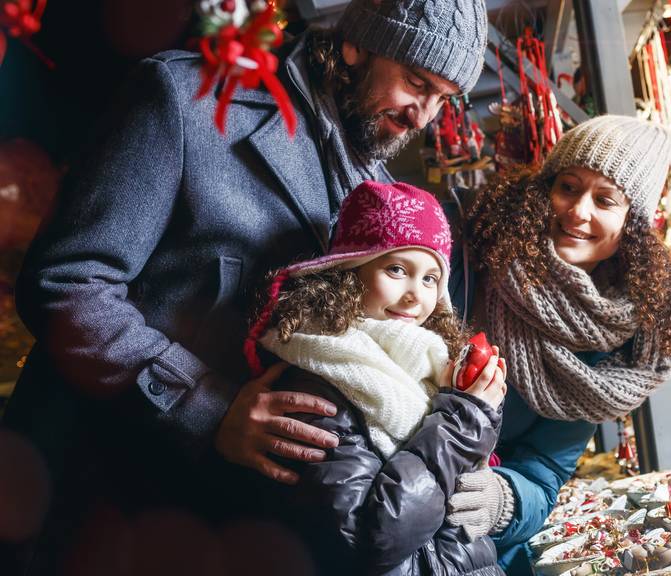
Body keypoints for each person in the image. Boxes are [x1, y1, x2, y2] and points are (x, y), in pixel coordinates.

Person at [5, 0, 488, 572]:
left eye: (443, 98)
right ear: (357, 45)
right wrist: (207, 406)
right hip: (104, 505)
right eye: (415, 82)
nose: (423, 116)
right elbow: (66, 285)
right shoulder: (186, 100)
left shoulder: (383, 194)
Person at [441, 115, 671, 573]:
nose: (579, 211)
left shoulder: (610, 347)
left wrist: (504, 498)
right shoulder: (468, 245)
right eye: (568, 187)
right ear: (545, 188)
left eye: (605, 200)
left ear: (632, 225)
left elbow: (543, 470)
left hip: (459, 540)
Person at [245, 180, 506, 575]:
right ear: (349, 272)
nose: (415, 294)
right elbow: (369, 536)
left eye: (430, 278)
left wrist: (477, 409)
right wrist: (464, 421)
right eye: (397, 269)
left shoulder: (429, 366)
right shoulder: (320, 376)